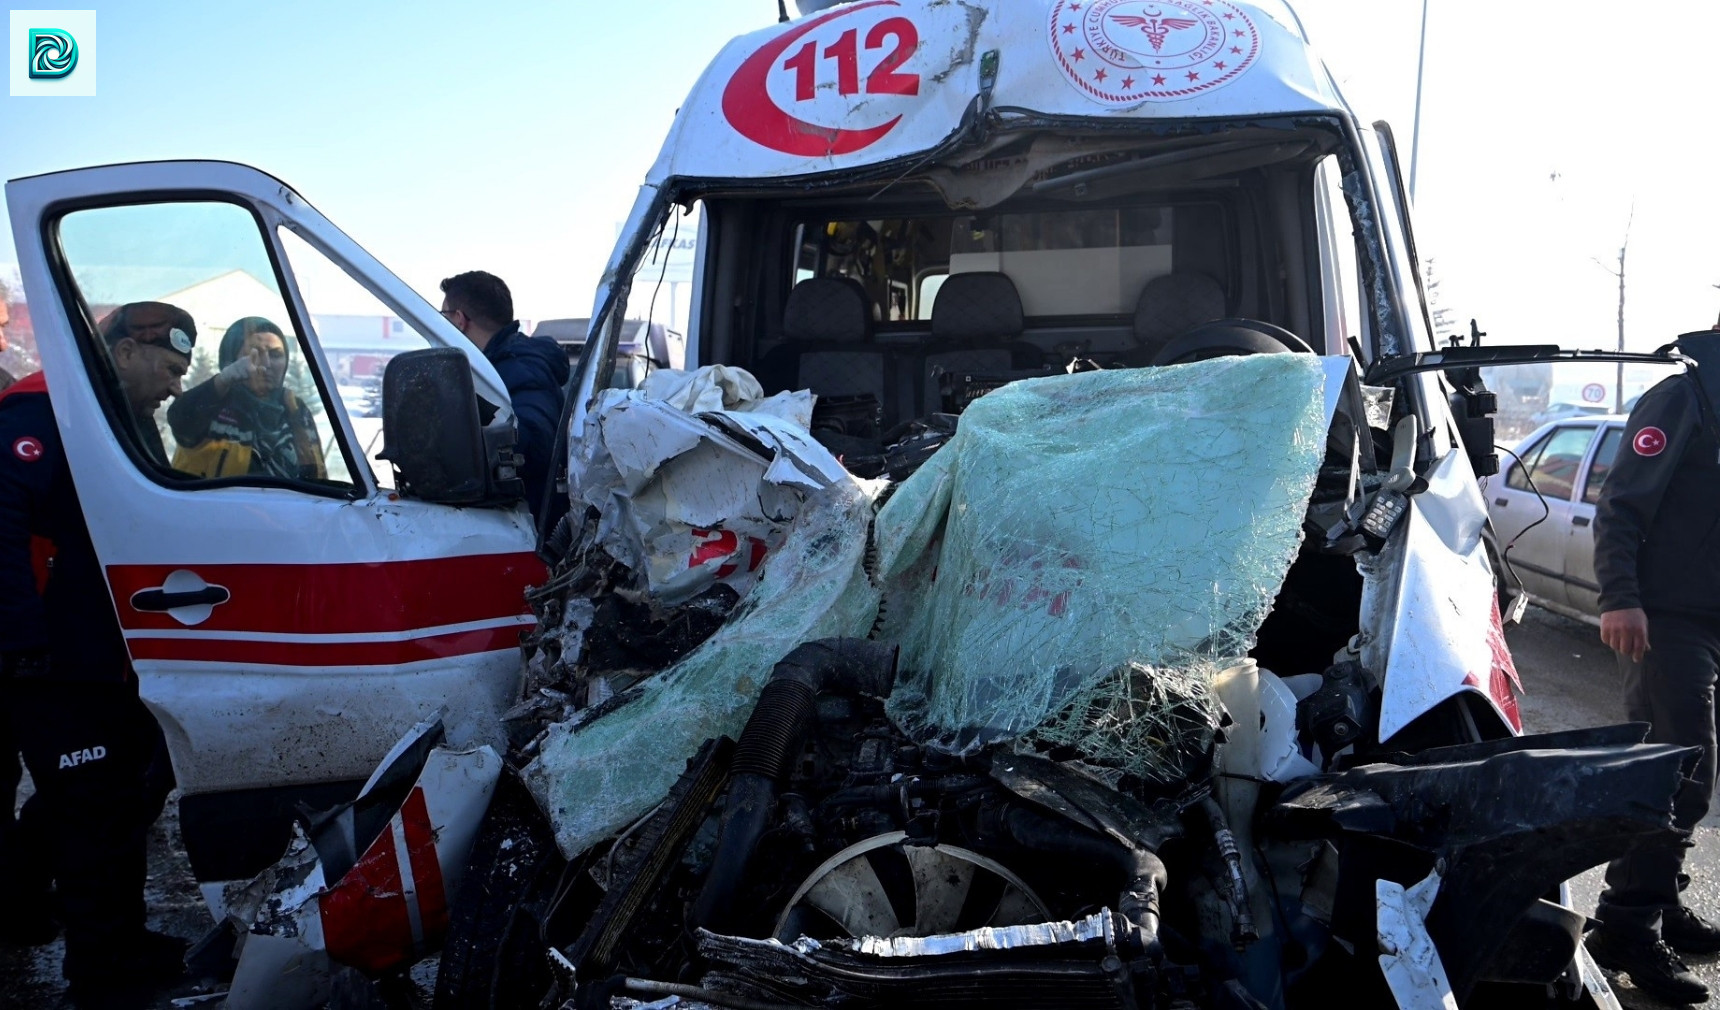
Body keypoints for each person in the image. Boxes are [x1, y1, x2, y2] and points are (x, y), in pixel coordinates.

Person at [0, 301, 192, 1001]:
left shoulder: (122, 424)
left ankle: (31, 907)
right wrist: (22, 644)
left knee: (99, 797)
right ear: (123, 352)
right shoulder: (41, 414)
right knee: (93, 804)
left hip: (95, 650)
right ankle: (103, 964)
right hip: (51, 655)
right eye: (170, 369)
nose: (175, 387)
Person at [1587, 328, 1720, 1004]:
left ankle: (1661, 902)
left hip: (1711, 615)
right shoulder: (1685, 395)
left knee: (1695, 773)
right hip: (1667, 618)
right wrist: (1620, 598)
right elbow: (1621, 506)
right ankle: (1624, 927)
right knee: (1676, 773)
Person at [438, 271, 569, 526]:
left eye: (443, 317)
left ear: (459, 319)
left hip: (531, 533)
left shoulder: (519, 368)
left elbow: (534, 444)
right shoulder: (494, 368)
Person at [166, 316, 326, 481]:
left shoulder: (295, 410)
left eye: (276, 354)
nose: (266, 363)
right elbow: (180, 418)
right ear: (232, 359)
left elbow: (317, 476)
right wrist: (223, 379)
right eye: (253, 354)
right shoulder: (213, 404)